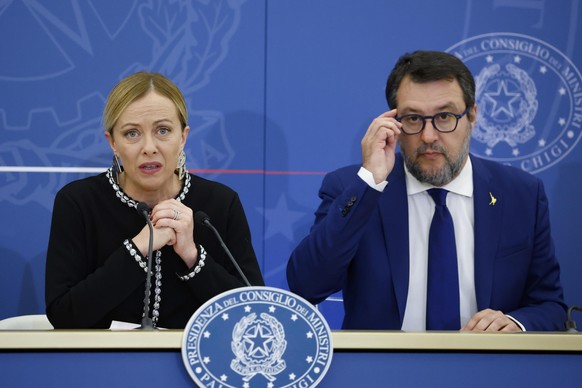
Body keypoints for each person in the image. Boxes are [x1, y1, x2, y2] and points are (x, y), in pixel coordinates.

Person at [287, 51, 567, 332]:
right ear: (394, 122)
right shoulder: (354, 188)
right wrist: (369, 184)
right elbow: (307, 286)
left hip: (488, 369)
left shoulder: (522, 194)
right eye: (413, 119)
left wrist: (516, 324)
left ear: (472, 116)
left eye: (445, 116)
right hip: (381, 372)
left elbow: (550, 305)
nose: (428, 136)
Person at [46, 72, 264, 329]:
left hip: (192, 366)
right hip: (104, 364)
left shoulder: (219, 203)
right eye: (131, 134)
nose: (149, 147)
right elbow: (63, 315)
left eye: (163, 130)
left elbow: (255, 315)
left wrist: (192, 256)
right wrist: (137, 249)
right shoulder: (79, 202)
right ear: (113, 142)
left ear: (182, 137)